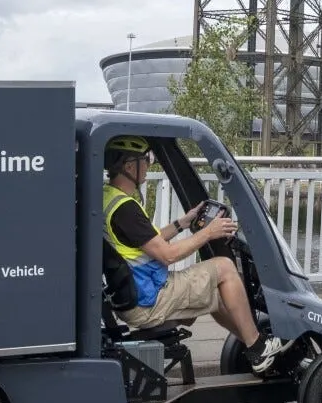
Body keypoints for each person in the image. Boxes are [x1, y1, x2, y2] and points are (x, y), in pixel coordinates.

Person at [101, 135, 291, 374]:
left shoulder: (109, 197)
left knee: (215, 289)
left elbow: (147, 241)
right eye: (146, 159)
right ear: (130, 166)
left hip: (132, 296)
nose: (149, 165)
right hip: (149, 300)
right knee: (223, 268)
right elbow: (167, 255)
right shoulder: (126, 208)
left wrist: (184, 222)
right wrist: (208, 232)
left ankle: (253, 344)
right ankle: (257, 348)